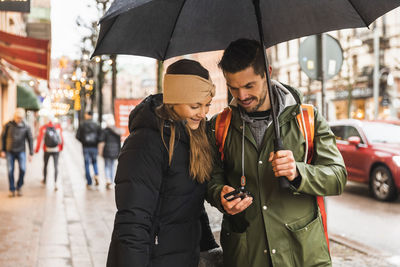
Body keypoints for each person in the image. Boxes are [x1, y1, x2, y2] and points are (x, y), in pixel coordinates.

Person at [206, 39, 347, 267]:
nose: (241, 95)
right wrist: (218, 195)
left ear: (267, 73)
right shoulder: (218, 126)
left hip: (302, 255)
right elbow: (210, 178)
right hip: (246, 255)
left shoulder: (308, 119)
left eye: (249, 85)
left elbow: (338, 177)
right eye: (233, 87)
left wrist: (298, 173)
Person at [107, 59, 219, 267]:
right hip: (152, 258)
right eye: (195, 106)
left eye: (206, 105)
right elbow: (133, 220)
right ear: (173, 100)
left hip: (183, 256)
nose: (203, 114)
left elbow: (190, 202)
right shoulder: (145, 143)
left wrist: (208, 247)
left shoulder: (191, 136)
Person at [1, 108, 34, 197]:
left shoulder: (26, 127)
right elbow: (3, 138)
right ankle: (12, 189)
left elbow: (30, 140)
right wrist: (2, 150)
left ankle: (19, 186)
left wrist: (31, 153)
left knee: (23, 169)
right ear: (14, 117)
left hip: (21, 151)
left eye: (21, 118)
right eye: (18, 118)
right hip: (9, 151)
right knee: (10, 170)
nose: (19, 120)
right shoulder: (8, 125)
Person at [35, 116, 64, 190]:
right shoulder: (58, 127)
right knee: (56, 166)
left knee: (45, 165)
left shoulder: (43, 128)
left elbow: (40, 139)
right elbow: (61, 139)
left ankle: (44, 180)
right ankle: (56, 183)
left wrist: (37, 149)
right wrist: (61, 148)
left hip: (46, 149)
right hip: (56, 149)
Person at [76, 111, 101, 188]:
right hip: (94, 147)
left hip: (86, 147)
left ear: (87, 115)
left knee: (86, 164)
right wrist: (96, 142)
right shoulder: (97, 124)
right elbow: (100, 135)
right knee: (94, 162)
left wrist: (83, 141)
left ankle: (89, 181)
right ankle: (96, 174)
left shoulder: (83, 124)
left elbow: (77, 136)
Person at [99, 117, 122, 189]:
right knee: (112, 166)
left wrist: (100, 151)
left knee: (106, 165)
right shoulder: (117, 131)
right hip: (115, 151)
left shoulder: (105, 131)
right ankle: (111, 181)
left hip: (107, 150)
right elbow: (119, 143)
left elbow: (102, 142)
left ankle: (108, 179)